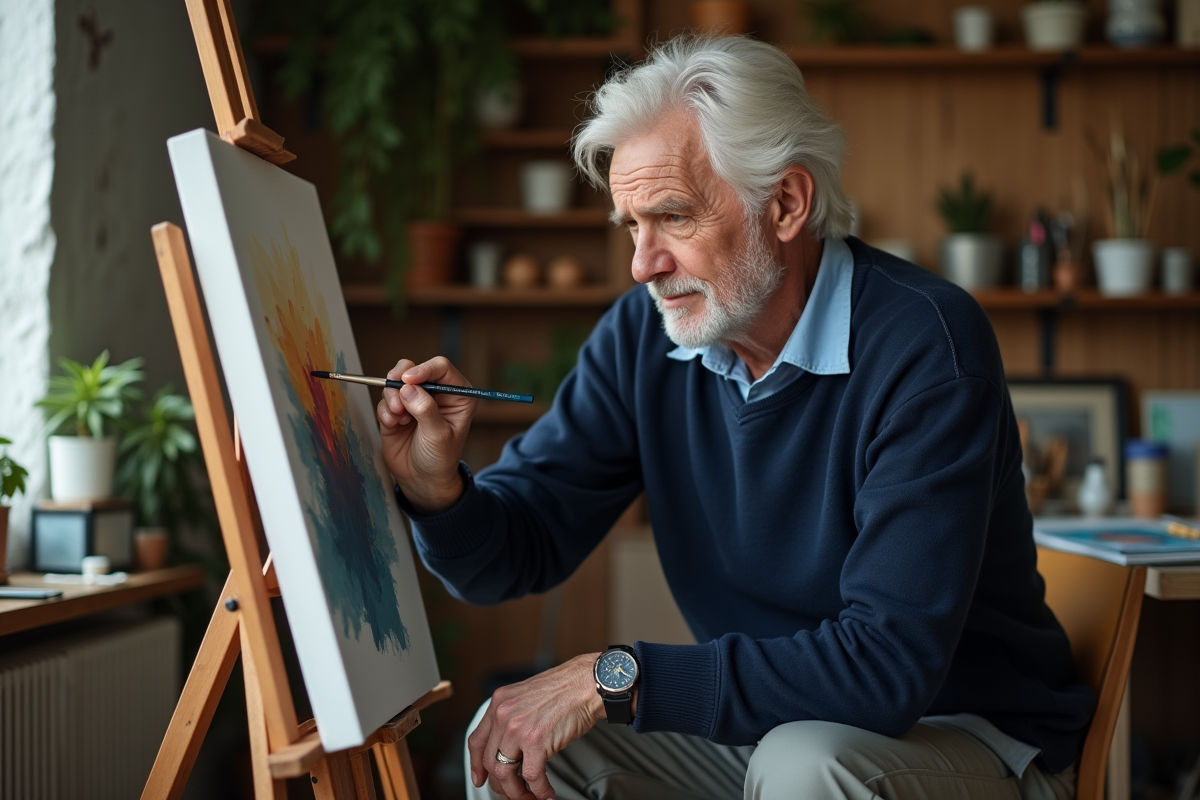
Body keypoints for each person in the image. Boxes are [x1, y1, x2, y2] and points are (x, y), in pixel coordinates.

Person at [376, 36, 1092, 800]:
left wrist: (612, 676)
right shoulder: (641, 335)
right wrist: (437, 490)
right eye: (630, 225)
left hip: (975, 737)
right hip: (775, 733)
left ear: (785, 203)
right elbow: (515, 552)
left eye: (672, 217)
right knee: (513, 737)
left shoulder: (926, 345)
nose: (642, 264)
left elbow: (886, 668)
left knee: (805, 765)